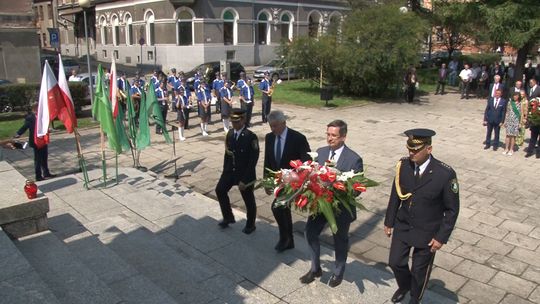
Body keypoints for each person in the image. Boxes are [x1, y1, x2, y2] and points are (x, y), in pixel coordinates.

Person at [384, 128, 459, 304]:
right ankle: (404, 285)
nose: (411, 153)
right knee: (395, 262)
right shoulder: (403, 166)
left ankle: (415, 298)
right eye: (409, 149)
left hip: (427, 231)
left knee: (419, 271)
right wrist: (389, 221)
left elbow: (452, 210)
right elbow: (396, 195)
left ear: (429, 149)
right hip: (403, 224)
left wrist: (441, 237)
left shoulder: (445, 174)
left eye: (416, 150)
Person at [300, 120, 363, 288]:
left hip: (341, 209)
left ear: (343, 136)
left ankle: (338, 272)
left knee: (339, 240)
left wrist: (337, 188)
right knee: (310, 233)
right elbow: (312, 175)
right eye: (328, 134)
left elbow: (357, 189)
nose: (329, 138)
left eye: (334, 135)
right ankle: (315, 268)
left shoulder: (354, 159)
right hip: (320, 205)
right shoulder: (320, 152)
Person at [264, 110, 311, 252]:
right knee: (283, 209)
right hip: (279, 182)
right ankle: (288, 239)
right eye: (271, 126)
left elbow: (307, 162)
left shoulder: (298, 138)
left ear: (284, 123)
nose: (273, 129)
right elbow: (268, 159)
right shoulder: (269, 138)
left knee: (277, 207)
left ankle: (285, 238)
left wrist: (296, 178)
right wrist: (267, 180)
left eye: (275, 126)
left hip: (294, 183)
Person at [215, 108, 259, 234]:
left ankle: (251, 224)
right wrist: (224, 172)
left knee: (248, 199)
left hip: (244, 173)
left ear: (243, 120)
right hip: (230, 171)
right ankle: (228, 217)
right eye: (232, 121)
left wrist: (245, 180)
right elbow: (227, 155)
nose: (234, 124)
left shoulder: (251, 137)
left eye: (237, 121)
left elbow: (253, 161)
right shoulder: (229, 134)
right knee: (220, 190)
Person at [14, 103, 56, 181]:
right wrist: (18, 133)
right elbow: (24, 127)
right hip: (35, 142)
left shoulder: (42, 117)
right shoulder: (30, 118)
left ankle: (46, 173)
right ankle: (38, 176)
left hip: (43, 140)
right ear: (34, 109)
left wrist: (48, 129)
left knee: (44, 157)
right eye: (38, 108)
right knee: (38, 160)